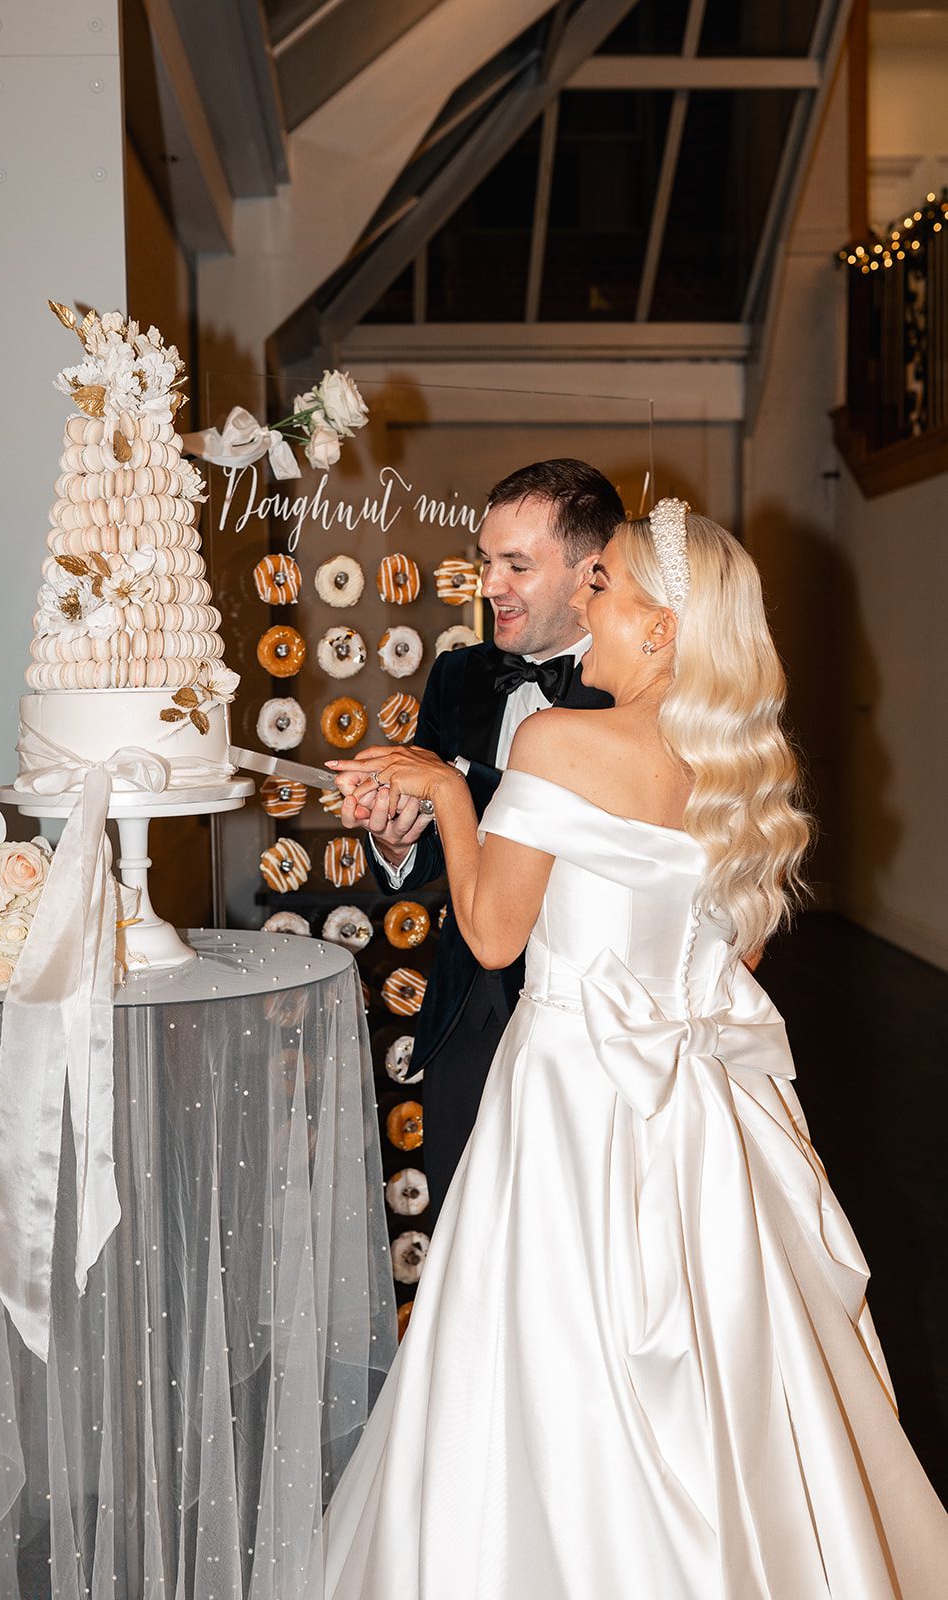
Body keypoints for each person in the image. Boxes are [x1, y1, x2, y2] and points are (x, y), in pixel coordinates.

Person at [322, 500, 948, 1597]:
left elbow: (491, 932)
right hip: (694, 1106)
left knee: (540, 1359)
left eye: (600, 585)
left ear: (658, 629)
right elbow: (732, 963)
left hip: (570, 1091)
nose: (582, 603)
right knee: (721, 1381)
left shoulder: (556, 742)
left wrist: (444, 798)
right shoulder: (734, 766)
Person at [346, 458, 623, 1219]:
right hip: (469, 1005)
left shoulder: (641, 691)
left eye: (516, 565)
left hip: (598, 1016)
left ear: (590, 573)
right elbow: (439, 849)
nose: (489, 585)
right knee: (463, 1234)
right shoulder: (457, 677)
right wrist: (399, 838)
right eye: (485, 562)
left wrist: (450, 789)